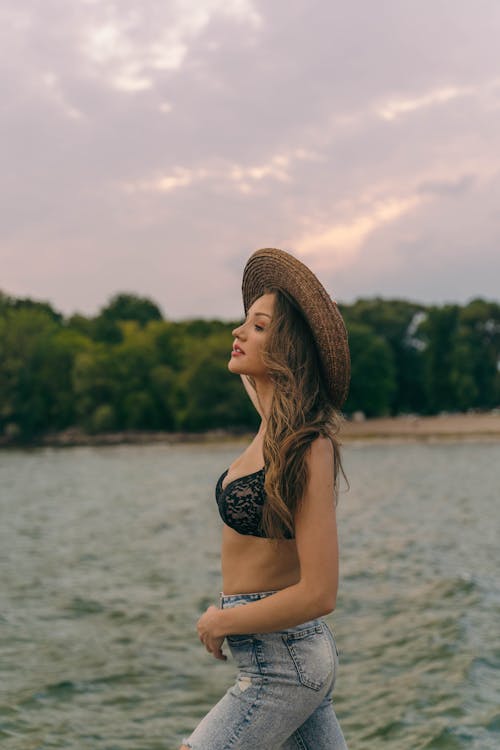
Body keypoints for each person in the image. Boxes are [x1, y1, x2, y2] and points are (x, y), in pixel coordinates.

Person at [180, 247, 350, 750]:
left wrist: (221, 621)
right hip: (282, 660)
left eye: (257, 326)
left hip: (285, 665)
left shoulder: (307, 445)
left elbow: (320, 592)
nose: (237, 332)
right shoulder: (268, 427)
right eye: (243, 322)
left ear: (287, 349)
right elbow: (272, 389)